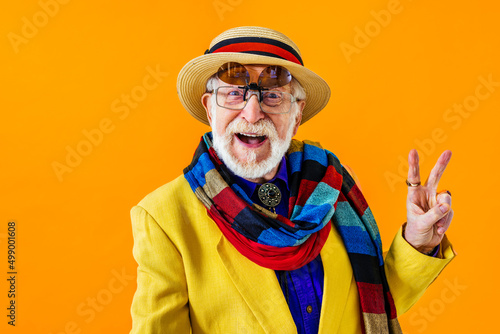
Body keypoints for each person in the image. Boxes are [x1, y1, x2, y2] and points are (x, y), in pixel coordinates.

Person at [129, 26, 455, 334]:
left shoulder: (333, 188)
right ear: (210, 110)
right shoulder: (163, 217)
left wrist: (418, 240)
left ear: (297, 115)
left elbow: (373, 310)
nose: (253, 113)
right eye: (233, 94)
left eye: (273, 97)